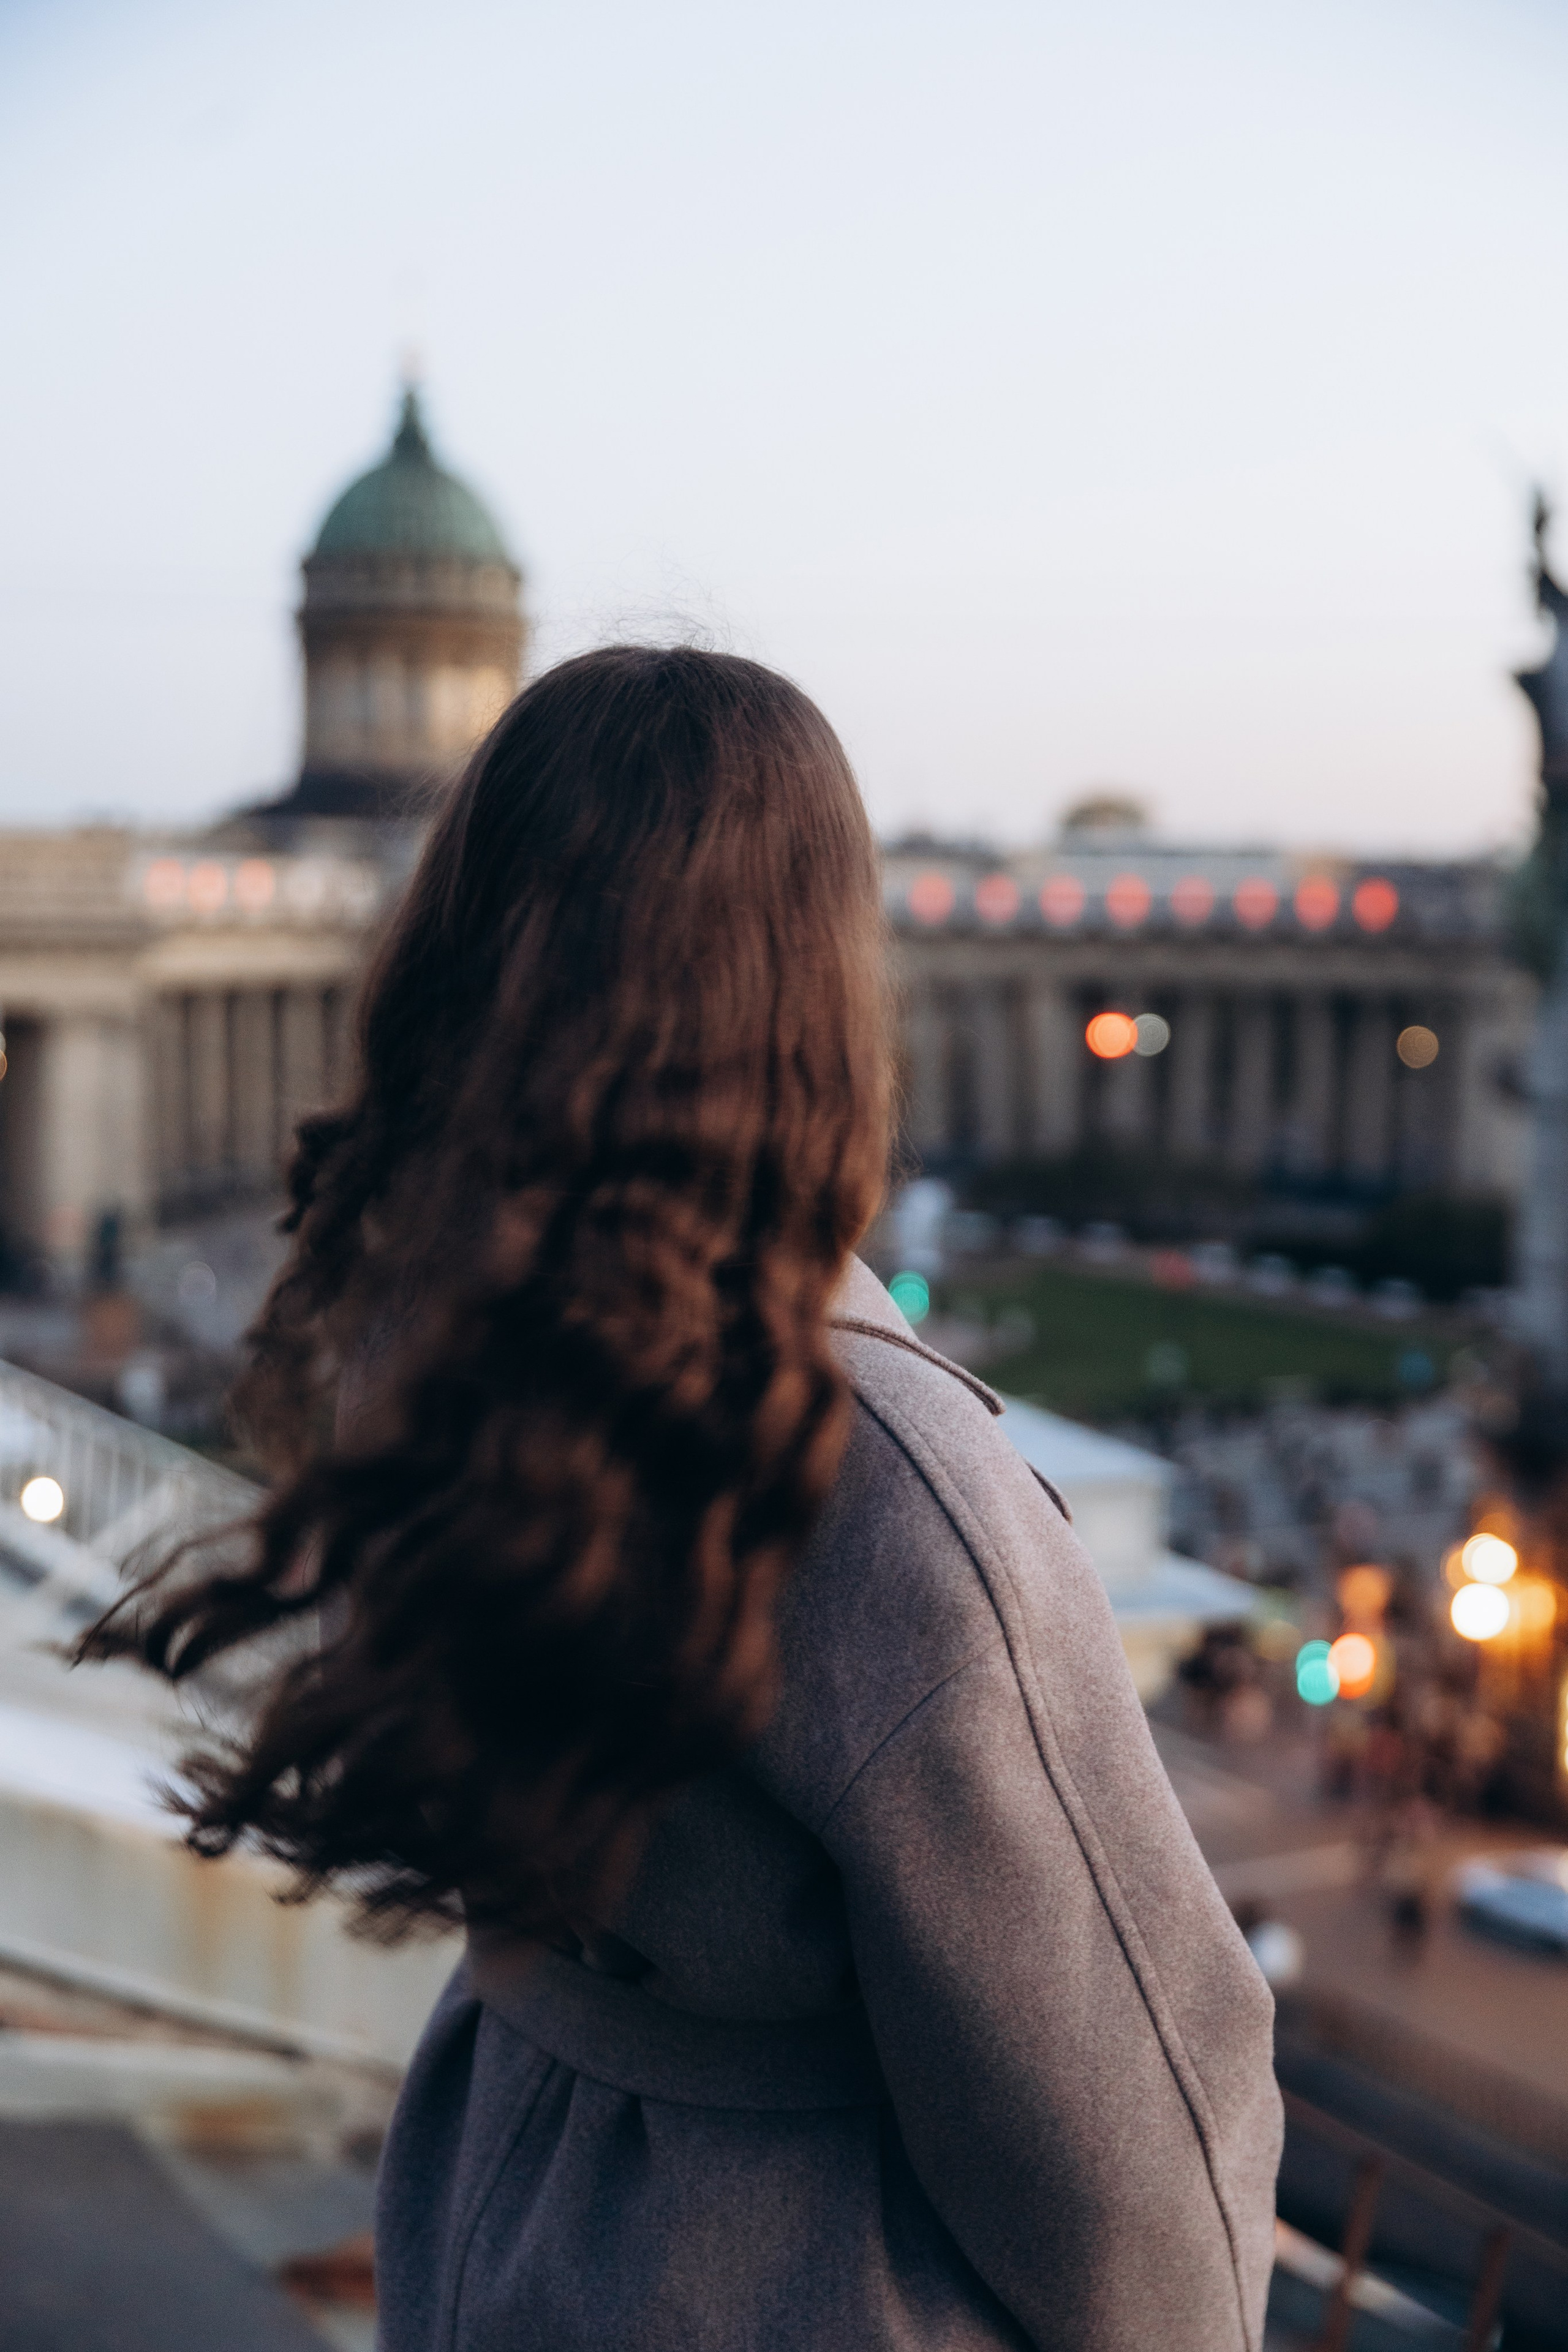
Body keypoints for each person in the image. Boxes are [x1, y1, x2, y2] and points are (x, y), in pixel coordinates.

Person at [87, 649, 1281, 2350]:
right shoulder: (886, 1487)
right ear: (814, 982)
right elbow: (1136, 2142)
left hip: (504, 2216)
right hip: (788, 2276)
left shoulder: (422, 1342)